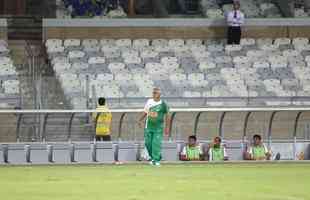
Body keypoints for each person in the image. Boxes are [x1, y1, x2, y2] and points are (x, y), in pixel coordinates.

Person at [138, 88, 170, 166]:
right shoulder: (149, 102)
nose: (154, 94)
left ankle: (156, 160)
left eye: (156, 93)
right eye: (153, 93)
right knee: (148, 143)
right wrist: (140, 120)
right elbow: (145, 111)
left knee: (156, 143)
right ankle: (153, 158)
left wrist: (167, 127)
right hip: (148, 126)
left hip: (158, 128)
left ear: (160, 94)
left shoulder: (163, 104)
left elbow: (168, 116)